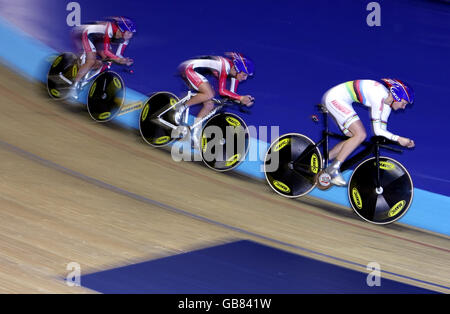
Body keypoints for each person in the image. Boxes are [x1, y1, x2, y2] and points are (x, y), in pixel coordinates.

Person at [321, 78, 415, 186]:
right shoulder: (378, 96)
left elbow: (381, 132)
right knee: (360, 135)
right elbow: (377, 130)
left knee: (353, 138)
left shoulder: (386, 106)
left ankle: (323, 159)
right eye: (403, 103)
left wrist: (400, 141)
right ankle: (333, 169)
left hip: (340, 99)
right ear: (396, 97)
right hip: (335, 98)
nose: (403, 107)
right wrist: (398, 139)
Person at [177, 52, 255, 147]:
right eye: (244, 75)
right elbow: (222, 91)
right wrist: (240, 98)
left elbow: (232, 94)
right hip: (189, 68)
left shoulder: (235, 76)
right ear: (238, 69)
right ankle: (180, 108)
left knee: (209, 105)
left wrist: (242, 101)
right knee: (209, 94)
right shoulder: (224, 65)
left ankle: (195, 133)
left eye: (247, 76)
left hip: (198, 73)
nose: (245, 78)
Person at [69, 16, 136, 99]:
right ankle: (73, 86)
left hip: (99, 39)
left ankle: (87, 74)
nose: (131, 35)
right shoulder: (110, 28)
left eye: (132, 33)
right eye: (129, 33)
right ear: (122, 30)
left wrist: (124, 60)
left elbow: (118, 54)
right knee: (91, 61)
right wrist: (118, 59)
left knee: (106, 61)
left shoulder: (126, 39)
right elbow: (106, 51)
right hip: (88, 34)